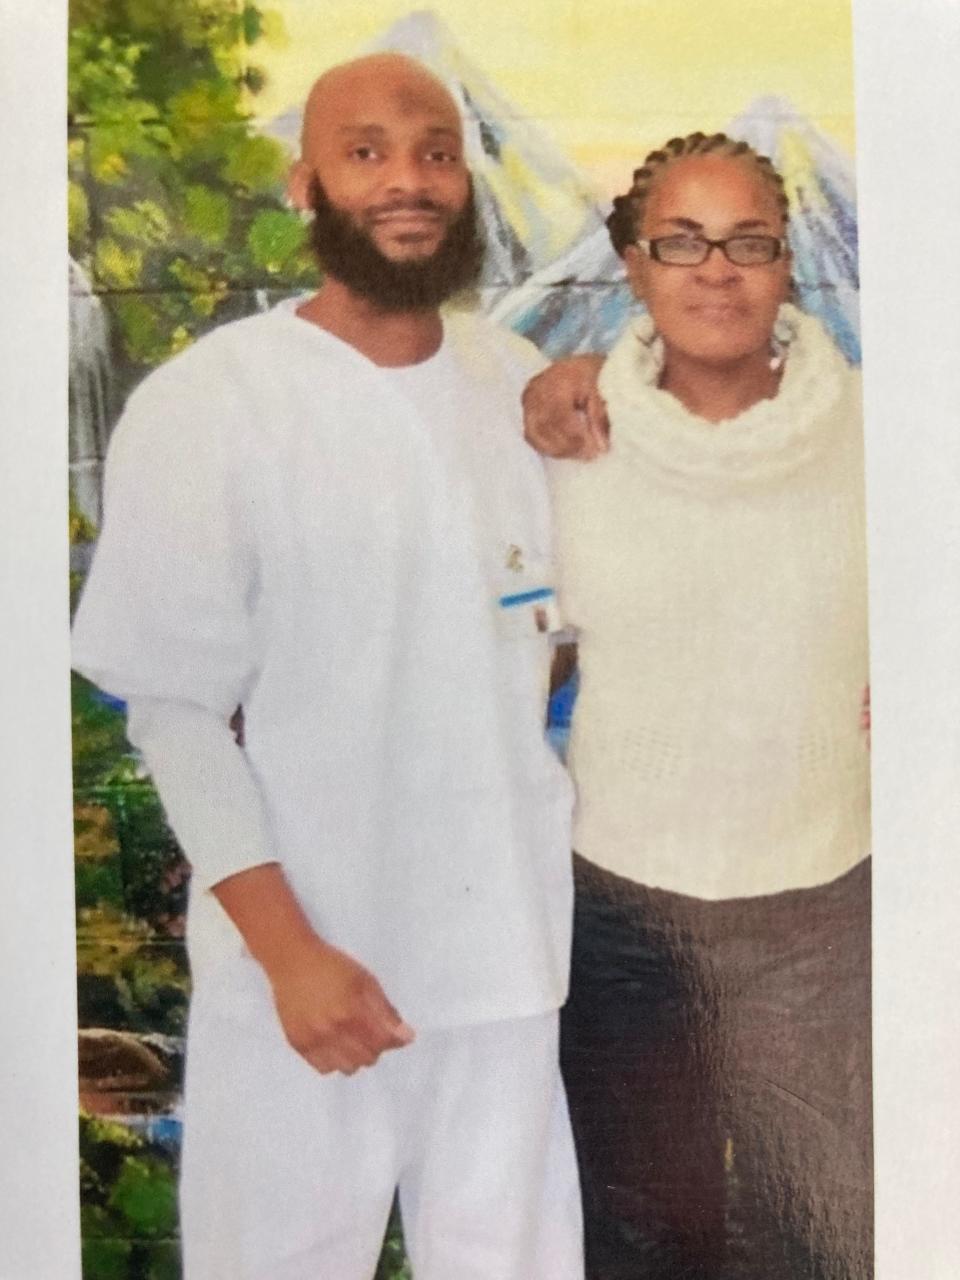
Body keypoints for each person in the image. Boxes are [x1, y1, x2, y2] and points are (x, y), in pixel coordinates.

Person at [72, 53, 583, 1280]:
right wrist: (290, 954)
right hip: (301, 980)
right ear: (305, 184)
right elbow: (176, 711)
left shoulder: (518, 388)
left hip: (505, 974)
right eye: (366, 152)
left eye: (435, 151)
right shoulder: (216, 403)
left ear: (467, 184)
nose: (407, 180)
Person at [523, 132, 872, 1280]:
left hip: (826, 900)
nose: (715, 269)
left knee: (822, 1240)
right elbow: (527, 652)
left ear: (788, 264)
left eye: (748, 241)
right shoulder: (568, 441)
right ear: (631, 261)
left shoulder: (884, 438)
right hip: (627, 910)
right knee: (639, 1238)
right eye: (681, 240)